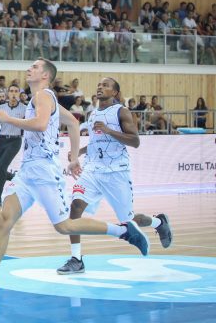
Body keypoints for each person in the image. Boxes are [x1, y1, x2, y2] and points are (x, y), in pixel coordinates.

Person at [0, 59, 151, 298]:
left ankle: (122, 231)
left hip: (45, 172)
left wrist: (8, 119)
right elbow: (73, 122)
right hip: (28, 171)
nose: (30, 69)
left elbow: (39, 125)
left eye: (35, 67)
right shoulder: (44, 99)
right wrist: (73, 158)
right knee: (5, 220)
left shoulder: (43, 96)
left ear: (45, 76)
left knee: (64, 226)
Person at [56, 77, 173, 275]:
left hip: (116, 172)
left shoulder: (122, 111)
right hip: (93, 170)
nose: (100, 87)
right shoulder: (93, 114)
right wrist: (79, 153)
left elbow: (135, 141)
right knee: (75, 209)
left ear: (116, 93)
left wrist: (109, 130)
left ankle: (159, 223)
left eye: (106, 85)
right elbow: (97, 142)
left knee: (129, 221)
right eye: (99, 84)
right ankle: (76, 259)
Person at [0, 85, 26, 207]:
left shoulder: (24, 109)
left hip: (15, 141)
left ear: (19, 94)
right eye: (11, 91)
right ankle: (15, 178)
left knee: (2, 167)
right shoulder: (1, 108)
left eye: (16, 91)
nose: (13, 94)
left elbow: (29, 124)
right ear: (8, 94)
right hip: (3, 140)